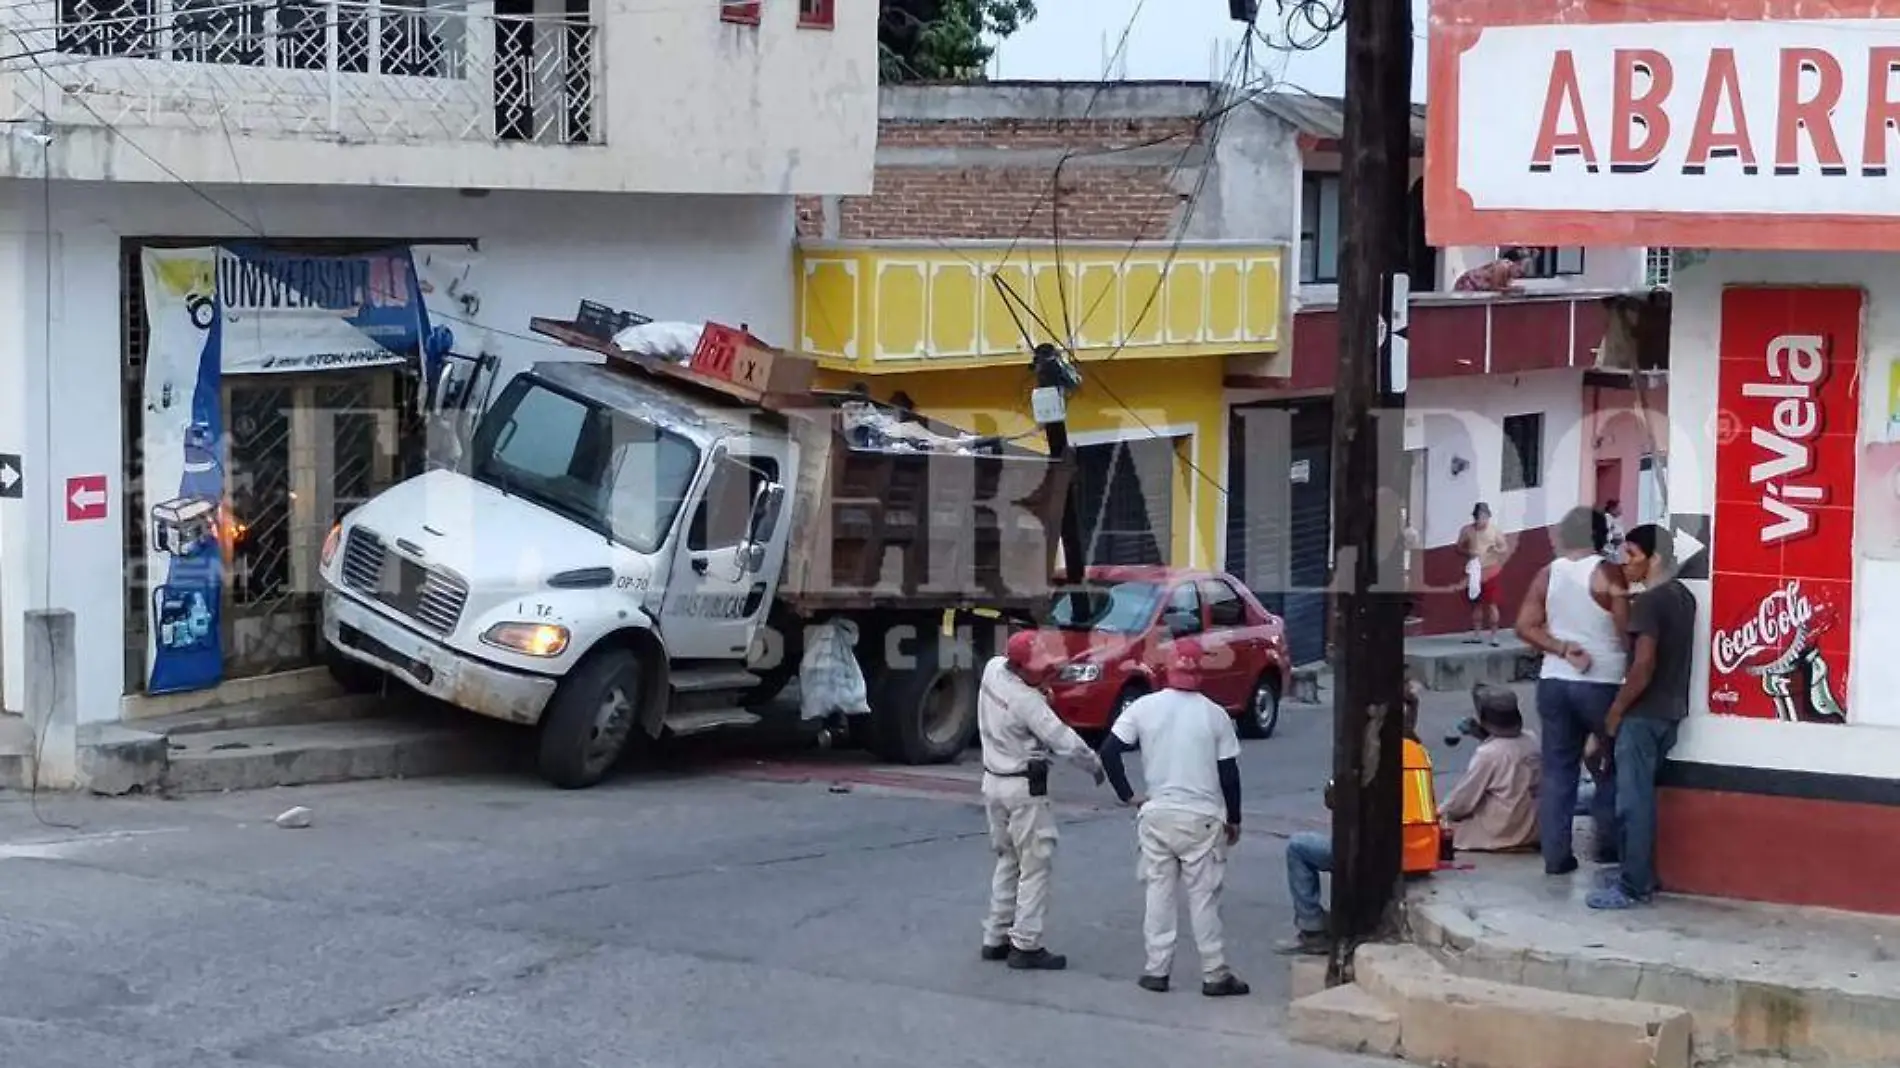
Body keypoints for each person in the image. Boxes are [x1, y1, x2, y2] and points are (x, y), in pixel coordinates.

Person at [1098, 642, 1250, 997]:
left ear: (1166, 669)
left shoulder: (1143, 708)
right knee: (1203, 898)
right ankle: (1214, 973)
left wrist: (1128, 795)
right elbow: (1229, 774)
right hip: (1202, 819)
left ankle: (1156, 970)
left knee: (1159, 893)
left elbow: (1109, 751)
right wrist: (1235, 819)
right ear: (1200, 671)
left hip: (1156, 814)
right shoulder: (1215, 715)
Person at [978, 630, 1106, 970]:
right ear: (1020, 667)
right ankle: (1026, 944)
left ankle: (996, 935)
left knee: (1008, 858)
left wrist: (1039, 687)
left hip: (992, 781)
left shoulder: (993, 670)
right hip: (1024, 789)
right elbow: (1067, 742)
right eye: (1039, 668)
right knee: (1036, 864)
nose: (1045, 673)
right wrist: (1095, 765)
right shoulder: (1028, 703)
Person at [1516, 506, 1629, 876]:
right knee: (1610, 764)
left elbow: (1525, 626)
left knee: (1558, 771)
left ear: (1565, 536)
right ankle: (1608, 846)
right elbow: (1625, 632)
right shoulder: (1609, 573)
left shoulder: (1548, 573)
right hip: (1603, 682)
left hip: (1555, 680)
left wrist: (1563, 648)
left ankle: (1557, 856)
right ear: (1602, 536)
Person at [1589, 524, 1695, 910]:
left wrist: (1616, 711)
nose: (1624, 562)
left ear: (1656, 559)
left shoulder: (1649, 603)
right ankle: (1639, 876)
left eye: (1632, 555)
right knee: (1640, 798)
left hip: (1642, 713)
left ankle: (1633, 884)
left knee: (1632, 802)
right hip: (1669, 712)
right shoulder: (1684, 598)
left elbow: (1644, 664)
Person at [1280, 681, 1425, 956]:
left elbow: (1333, 799)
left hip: (1369, 849)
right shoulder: (1417, 753)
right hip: (1415, 850)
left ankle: (1312, 928)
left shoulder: (1363, 754)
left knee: (1298, 847)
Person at [1440, 686, 1542, 853]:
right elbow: (1508, 752)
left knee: (1442, 828)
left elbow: (1463, 802)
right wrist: (1483, 735)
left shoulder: (1488, 754)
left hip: (1505, 831)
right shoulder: (1531, 739)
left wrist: (1439, 813)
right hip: (1535, 828)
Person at [1457, 502, 1510, 645]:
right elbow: (1458, 547)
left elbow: (1504, 547)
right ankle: (1476, 634)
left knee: (1492, 603)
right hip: (1474, 570)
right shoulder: (1467, 530)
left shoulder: (1495, 531)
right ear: (1475, 517)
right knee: (1476, 603)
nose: (1482, 520)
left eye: (1485, 517)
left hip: (1490, 569)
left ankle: (1494, 636)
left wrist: (1496, 550)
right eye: (1479, 517)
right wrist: (1469, 552)